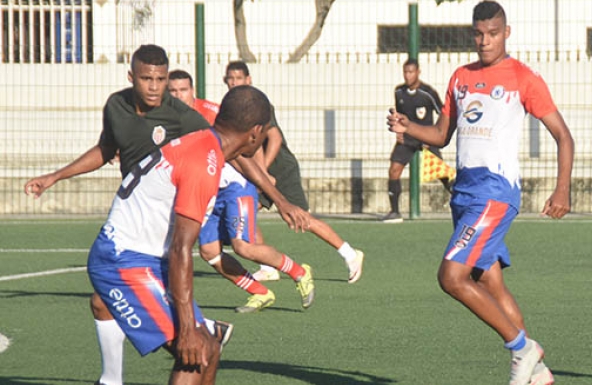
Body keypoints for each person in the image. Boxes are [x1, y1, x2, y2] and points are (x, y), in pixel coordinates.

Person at [387, 0, 574, 385]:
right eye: (478, 33)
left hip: (495, 192)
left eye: (493, 33)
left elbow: (564, 135)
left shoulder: (523, 78)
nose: (485, 41)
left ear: (507, 32)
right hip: (465, 192)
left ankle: (523, 350)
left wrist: (563, 188)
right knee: (489, 281)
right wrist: (408, 129)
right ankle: (535, 371)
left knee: (451, 277)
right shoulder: (461, 77)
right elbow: (441, 135)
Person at [24, 45, 231, 385]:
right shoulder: (116, 106)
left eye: (161, 79)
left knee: (185, 340)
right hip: (134, 219)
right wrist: (55, 176)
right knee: (104, 301)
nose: (154, 87)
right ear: (131, 76)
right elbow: (106, 148)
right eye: (147, 78)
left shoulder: (183, 118)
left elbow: (223, 148)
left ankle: (201, 340)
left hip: (159, 229)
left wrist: (278, 196)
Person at [86, 84, 272, 385]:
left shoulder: (207, 145)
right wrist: (187, 327)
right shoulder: (206, 158)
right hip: (122, 261)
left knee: (210, 349)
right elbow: (180, 249)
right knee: (196, 350)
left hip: (143, 259)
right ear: (255, 133)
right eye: (264, 132)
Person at [168, 70, 316, 313]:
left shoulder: (209, 115)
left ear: (192, 91)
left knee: (243, 246)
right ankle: (260, 292)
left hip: (235, 187)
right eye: (172, 91)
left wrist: (270, 186)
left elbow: (241, 152)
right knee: (210, 253)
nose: (177, 95)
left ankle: (299, 272)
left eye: (182, 90)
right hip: (206, 192)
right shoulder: (165, 119)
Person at [222, 61, 365, 284]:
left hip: (281, 169)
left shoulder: (259, 104)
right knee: (247, 209)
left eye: (238, 78)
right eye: (230, 78)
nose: (234, 82)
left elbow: (275, 138)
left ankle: (350, 254)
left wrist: (263, 173)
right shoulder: (232, 106)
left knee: (301, 218)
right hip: (259, 172)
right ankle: (266, 266)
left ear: (248, 80)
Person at [382, 58, 452, 223]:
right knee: (394, 170)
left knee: (442, 173)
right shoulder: (399, 92)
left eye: (411, 72)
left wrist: (435, 134)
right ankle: (395, 212)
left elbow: (443, 114)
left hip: (426, 138)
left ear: (418, 72)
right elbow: (400, 115)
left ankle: (464, 202)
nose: (408, 75)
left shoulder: (428, 93)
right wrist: (398, 130)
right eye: (405, 72)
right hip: (407, 139)